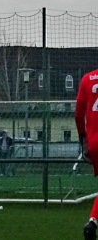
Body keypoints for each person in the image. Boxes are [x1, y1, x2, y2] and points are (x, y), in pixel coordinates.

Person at [74, 68, 98, 240]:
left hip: (94, 143)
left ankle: (93, 223)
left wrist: (83, 140)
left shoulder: (87, 78)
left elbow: (78, 115)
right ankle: (93, 222)